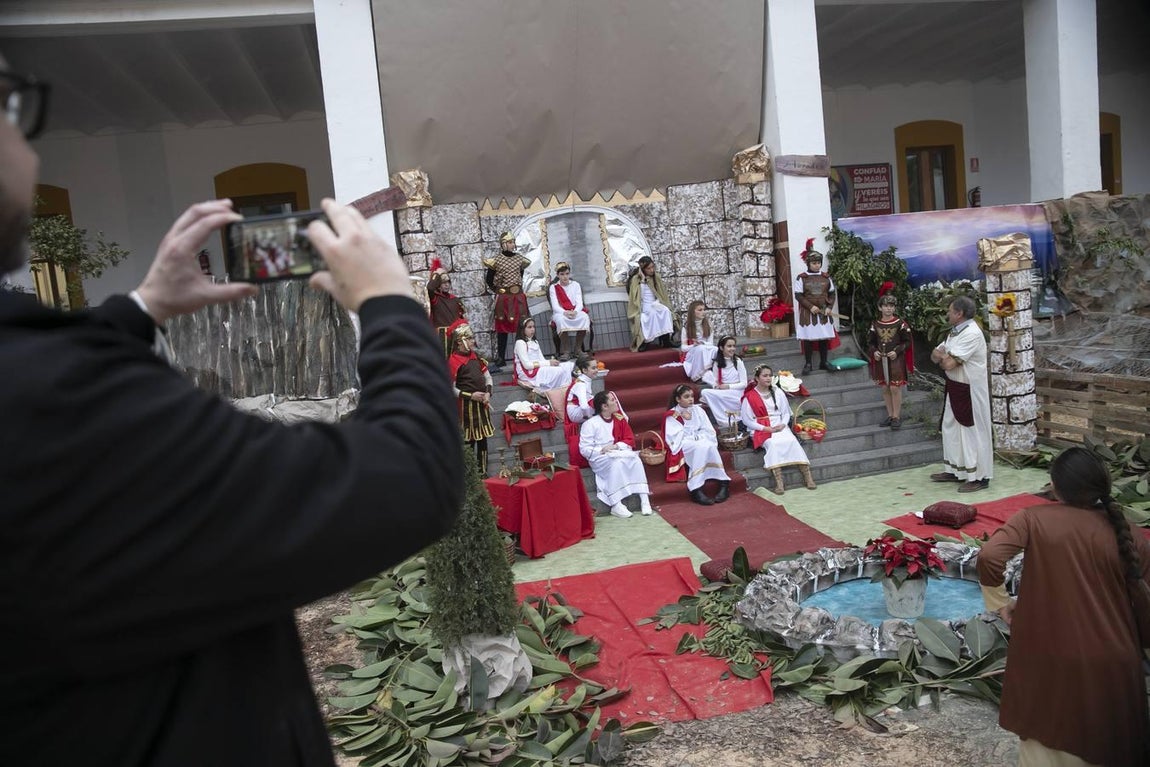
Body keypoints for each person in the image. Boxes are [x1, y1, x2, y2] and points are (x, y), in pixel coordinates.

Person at [0, 60, 463, 766]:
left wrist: (141, 308)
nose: (28, 144)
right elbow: (410, 478)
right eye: (9, 105)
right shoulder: (51, 408)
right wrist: (391, 306)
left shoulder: (41, 379)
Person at [978, 447, 1150, 766]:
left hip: (1047, 661)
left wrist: (1001, 603)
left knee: (1045, 746)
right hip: (1114, 669)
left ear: (1055, 487)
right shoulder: (1131, 534)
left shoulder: (1033, 518)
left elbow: (989, 556)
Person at [929, 296, 993, 493]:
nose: (947, 314)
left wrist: (944, 356)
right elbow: (934, 355)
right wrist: (944, 356)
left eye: (950, 311)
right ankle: (956, 470)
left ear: (959, 314)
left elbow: (947, 363)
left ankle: (980, 476)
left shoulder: (972, 333)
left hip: (970, 390)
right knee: (951, 428)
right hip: (955, 386)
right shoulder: (955, 332)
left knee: (972, 432)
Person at [740, 365, 816, 494]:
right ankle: (779, 481)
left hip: (779, 425)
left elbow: (786, 412)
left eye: (770, 375)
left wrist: (783, 424)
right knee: (773, 444)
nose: (768, 378)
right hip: (761, 427)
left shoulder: (778, 392)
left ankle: (807, 476)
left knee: (792, 441)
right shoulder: (750, 396)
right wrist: (765, 428)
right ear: (757, 378)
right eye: (765, 375)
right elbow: (747, 420)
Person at [579, 390, 653, 519]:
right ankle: (616, 504)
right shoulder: (590, 424)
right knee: (617, 463)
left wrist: (616, 446)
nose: (616, 402)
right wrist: (602, 450)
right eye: (612, 400)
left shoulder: (619, 419)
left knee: (635, 459)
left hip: (617, 452)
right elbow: (584, 449)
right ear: (604, 406)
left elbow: (629, 440)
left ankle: (644, 499)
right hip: (599, 458)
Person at [664, 384, 730, 505]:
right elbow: (673, 436)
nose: (691, 399)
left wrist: (700, 436)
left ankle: (723, 482)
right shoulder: (673, 414)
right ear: (678, 399)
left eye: (692, 396)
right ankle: (696, 488)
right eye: (686, 396)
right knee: (700, 447)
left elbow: (708, 429)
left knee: (708, 445)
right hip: (685, 442)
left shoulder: (698, 410)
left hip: (700, 438)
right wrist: (687, 424)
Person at [447, 319, 494, 475]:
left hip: (482, 406)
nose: (473, 341)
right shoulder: (453, 361)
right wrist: (471, 395)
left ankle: (483, 473)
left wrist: (488, 393)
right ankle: (469, 476)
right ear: (461, 341)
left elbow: (488, 377)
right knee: (469, 441)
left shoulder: (476, 357)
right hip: (466, 408)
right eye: (470, 338)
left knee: (483, 440)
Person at [867, 289, 914, 429]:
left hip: (896, 361)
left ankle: (896, 416)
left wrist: (897, 351)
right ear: (880, 307)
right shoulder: (875, 325)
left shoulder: (901, 324)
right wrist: (874, 351)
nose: (889, 308)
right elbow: (870, 342)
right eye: (886, 306)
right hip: (881, 360)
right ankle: (889, 415)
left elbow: (907, 341)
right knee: (885, 388)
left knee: (895, 387)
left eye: (892, 306)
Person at [484, 231, 530, 372]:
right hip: (504, 298)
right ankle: (501, 358)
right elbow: (489, 280)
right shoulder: (496, 260)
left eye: (513, 242)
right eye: (510, 242)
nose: (512, 244)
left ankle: (525, 356)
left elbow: (520, 275)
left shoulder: (520, 259)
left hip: (518, 297)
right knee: (502, 328)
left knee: (522, 326)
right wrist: (499, 290)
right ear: (503, 244)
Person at [794, 238, 839, 374]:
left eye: (819, 263)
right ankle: (808, 364)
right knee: (808, 338)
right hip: (809, 313)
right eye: (814, 263)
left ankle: (823, 362)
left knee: (823, 338)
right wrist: (810, 307)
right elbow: (798, 295)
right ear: (808, 263)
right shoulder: (801, 278)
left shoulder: (826, 278)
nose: (817, 265)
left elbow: (831, 294)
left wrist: (829, 308)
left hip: (824, 313)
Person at [626, 255, 676, 351]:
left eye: (653, 267)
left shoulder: (656, 277)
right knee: (650, 314)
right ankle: (645, 341)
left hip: (655, 302)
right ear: (643, 269)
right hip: (643, 305)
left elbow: (661, 292)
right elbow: (634, 297)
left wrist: (660, 302)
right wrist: (643, 279)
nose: (652, 270)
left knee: (665, 311)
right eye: (649, 268)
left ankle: (666, 340)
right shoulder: (636, 280)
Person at [512, 316, 575, 393]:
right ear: (522, 329)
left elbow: (542, 359)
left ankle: (565, 388)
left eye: (533, 327)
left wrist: (551, 363)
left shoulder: (535, 342)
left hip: (538, 367)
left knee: (566, 365)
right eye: (529, 327)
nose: (532, 329)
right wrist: (548, 363)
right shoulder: (520, 343)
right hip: (528, 371)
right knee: (558, 371)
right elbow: (527, 365)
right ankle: (560, 389)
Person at [699, 336, 747, 427]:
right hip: (723, 392)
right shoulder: (717, 363)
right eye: (729, 346)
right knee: (704, 392)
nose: (732, 349)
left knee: (708, 394)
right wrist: (715, 385)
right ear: (721, 348)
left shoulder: (738, 361)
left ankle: (730, 419)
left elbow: (744, 384)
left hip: (737, 393)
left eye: (733, 346)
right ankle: (723, 419)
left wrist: (728, 386)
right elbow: (716, 382)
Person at [548, 262, 590, 360]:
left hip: (575, 310)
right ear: (558, 275)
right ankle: (566, 351)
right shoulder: (553, 287)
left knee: (584, 317)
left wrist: (575, 311)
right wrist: (565, 312)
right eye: (562, 274)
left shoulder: (576, 285)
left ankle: (578, 349)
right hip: (560, 313)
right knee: (561, 320)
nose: (565, 277)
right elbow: (555, 306)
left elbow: (579, 302)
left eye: (567, 274)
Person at [563, 354, 598, 468]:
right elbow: (583, 406)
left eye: (596, 367)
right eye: (593, 368)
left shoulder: (585, 380)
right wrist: (589, 418)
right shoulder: (581, 384)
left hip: (578, 409)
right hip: (575, 412)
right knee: (604, 400)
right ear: (584, 370)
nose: (596, 370)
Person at [428, 257, 465, 355]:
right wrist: (436, 274)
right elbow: (430, 288)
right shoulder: (435, 298)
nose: (446, 285)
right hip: (441, 336)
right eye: (443, 283)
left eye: (448, 282)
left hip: (456, 334)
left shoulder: (455, 299)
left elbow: (461, 318)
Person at [680, 300, 717, 382]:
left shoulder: (709, 325)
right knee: (701, 349)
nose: (703, 312)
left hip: (706, 347)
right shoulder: (686, 327)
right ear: (693, 312)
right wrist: (694, 345)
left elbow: (711, 343)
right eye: (700, 310)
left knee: (716, 349)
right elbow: (683, 347)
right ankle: (699, 376)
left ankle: (714, 373)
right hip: (692, 351)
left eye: (704, 310)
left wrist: (703, 343)